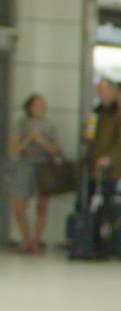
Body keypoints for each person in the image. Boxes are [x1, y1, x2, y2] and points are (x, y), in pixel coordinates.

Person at [7, 93, 63, 254]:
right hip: (25, 164)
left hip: (43, 166)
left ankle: (36, 242)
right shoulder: (21, 124)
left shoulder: (49, 126)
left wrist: (42, 141)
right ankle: (26, 239)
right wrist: (27, 140)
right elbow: (12, 150)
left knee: (42, 205)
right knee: (18, 206)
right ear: (30, 107)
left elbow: (57, 150)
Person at [87, 78, 121, 197]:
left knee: (111, 200)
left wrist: (109, 158)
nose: (101, 94)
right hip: (96, 169)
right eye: (99, 90)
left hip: (116, 171)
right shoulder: (97, 112)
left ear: (112, 91)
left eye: (104, 90)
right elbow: (89, 136)